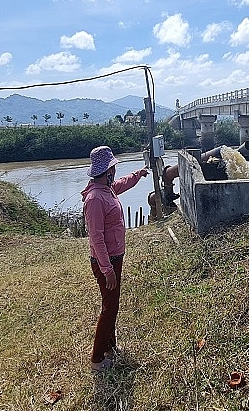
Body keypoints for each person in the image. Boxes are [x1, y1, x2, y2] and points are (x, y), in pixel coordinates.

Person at [81, 145, 149, 372]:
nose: (115, 173)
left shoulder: (107, 190)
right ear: (107, 171)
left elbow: (122, 185)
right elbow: (96, 238)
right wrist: (107, 270)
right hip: (106, 262)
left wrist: (138, 175)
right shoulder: (95, 199)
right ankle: (97, 358)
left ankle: (110, 347)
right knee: (110, 307)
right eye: (113, 169)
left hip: (114, 258)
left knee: (112, 305)